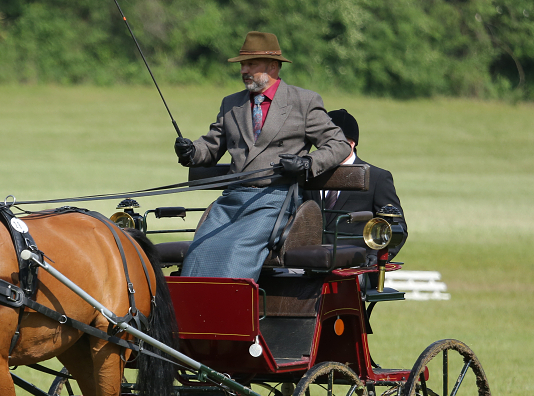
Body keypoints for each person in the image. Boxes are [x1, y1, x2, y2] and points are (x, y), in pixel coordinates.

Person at [174, 31, 350, 279]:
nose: (244, 70)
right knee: (199, 250)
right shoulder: (231, 103)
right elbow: (212, 145)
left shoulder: (304, 102)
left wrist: (307, 163)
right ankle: (195, 314)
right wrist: (191, 151)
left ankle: (232, 312)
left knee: (235, 250)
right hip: (231, 200)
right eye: (242, 64)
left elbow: (339, 144)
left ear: (273, 67)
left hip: (274, 200)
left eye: (251, 64)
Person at [312, 108, 408, 261]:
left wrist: (376, 256)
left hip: (356, 269)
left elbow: (397, 228)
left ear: (350, 144)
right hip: (308, 263)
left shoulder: (377, 178)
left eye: (331, 144)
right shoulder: (309, 175)